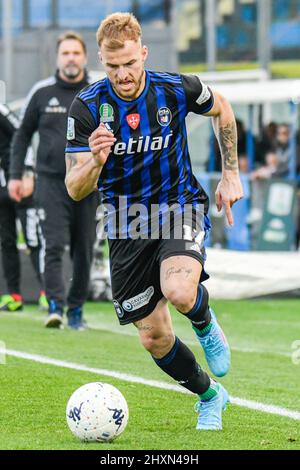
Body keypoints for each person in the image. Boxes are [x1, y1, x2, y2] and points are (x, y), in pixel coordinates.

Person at [64, 13, 243, 430]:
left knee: (179, 290)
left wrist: (230, 173)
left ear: (143, 53)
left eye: (130, 63)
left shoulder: (176, 88)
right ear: (101, 62)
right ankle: (210, 396)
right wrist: (95, 159)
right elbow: (74, 188)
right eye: (113, 67)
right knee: (154, 337)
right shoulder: (88, 108)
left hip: (178, 205)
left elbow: (223, 108)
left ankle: (202, 319)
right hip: (127, 222)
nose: (123, 74)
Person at [9, 32, 100, 329]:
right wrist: (15, 175)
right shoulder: (42, 92)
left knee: (84, 249)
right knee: (54, 245)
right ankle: (56, 308)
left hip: (88, 184)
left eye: (76, 53)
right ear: (58, 58)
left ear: (84, 57)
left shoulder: (98, 91)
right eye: (66, 53)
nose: (71, 58)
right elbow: (22, 135)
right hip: (50, 182)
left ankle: (75, 311)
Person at [0, 103, 46, 311]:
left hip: (18, 183)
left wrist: (25, 171)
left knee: (32, 238)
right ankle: (14, 295)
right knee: (6, 241)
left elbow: (22, 134)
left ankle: (48, 292)